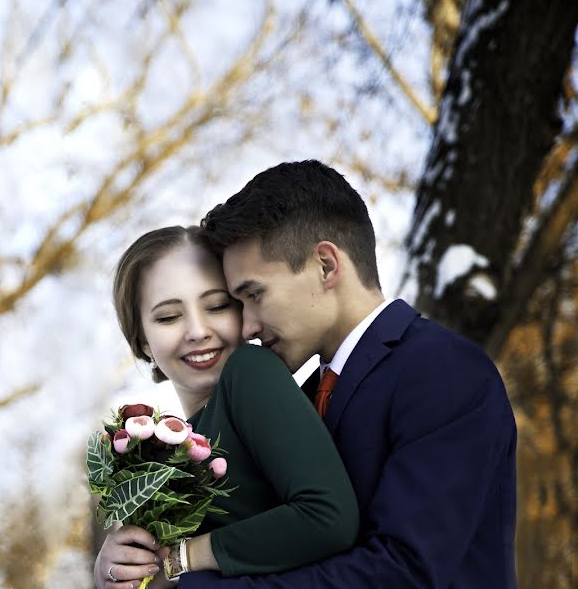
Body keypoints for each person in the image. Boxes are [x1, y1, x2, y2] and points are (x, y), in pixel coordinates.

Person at [178, 160, 517, 588]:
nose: (246, 327)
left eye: (255, 295)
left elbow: (403, 572)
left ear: (325, 265)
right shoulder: (299, 397)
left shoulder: (445, 371)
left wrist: (192, 583)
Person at [94, 225, 358, 588]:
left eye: (218, 306)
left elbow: (328, 517)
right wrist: (118, 572)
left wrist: (180, 558)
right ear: (141, 340)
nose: (198, 330)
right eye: (169, 316)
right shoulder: (160, 452)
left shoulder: (250, 371)